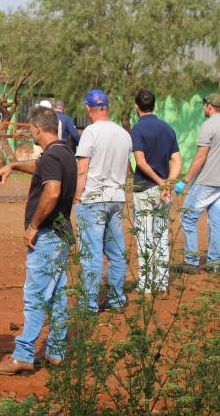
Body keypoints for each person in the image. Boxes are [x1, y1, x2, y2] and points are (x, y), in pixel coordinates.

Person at [0, 106, 77, 375]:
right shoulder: (65, 154)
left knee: (35, 297)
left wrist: (33, 226)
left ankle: (23, 355)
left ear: (38, 129)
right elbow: (41, 168)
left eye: (31, 130)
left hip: (48, 236)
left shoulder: (52, 156)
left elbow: (52, 192)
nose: (32, 134)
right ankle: (55, 352)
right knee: (58, 296)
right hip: (62, 234)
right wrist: (14, 165)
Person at [74, 89, 132, 313]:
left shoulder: (90, 132)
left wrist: (78, 197)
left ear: (90, 109)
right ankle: (117, 299)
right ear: (106, 108)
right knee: (116, 252)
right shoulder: (124, 134)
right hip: (117, 199)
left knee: (91, 252)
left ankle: (89, 303)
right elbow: (127, 169)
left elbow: (82, 169)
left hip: (93, 199)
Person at [130, 90, 181, 292]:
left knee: (144, 237)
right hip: (163, 192)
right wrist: (168, 183)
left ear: (136, 106)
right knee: (160, 236)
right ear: (154, 105)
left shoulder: (137, 129)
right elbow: (177, 160)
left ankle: (145, 284)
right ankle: (161, 282)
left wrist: (161, 182)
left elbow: (140, 162)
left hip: (144, 189)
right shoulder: (167, 129)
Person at [174, 93, 220, 274]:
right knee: (216, 222)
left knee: (187, 217)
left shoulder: (208, 125)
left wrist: (185, 181)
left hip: (206, 181)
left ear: (209, 106)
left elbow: (201, 157)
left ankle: (191, 261)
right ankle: (215, 263)